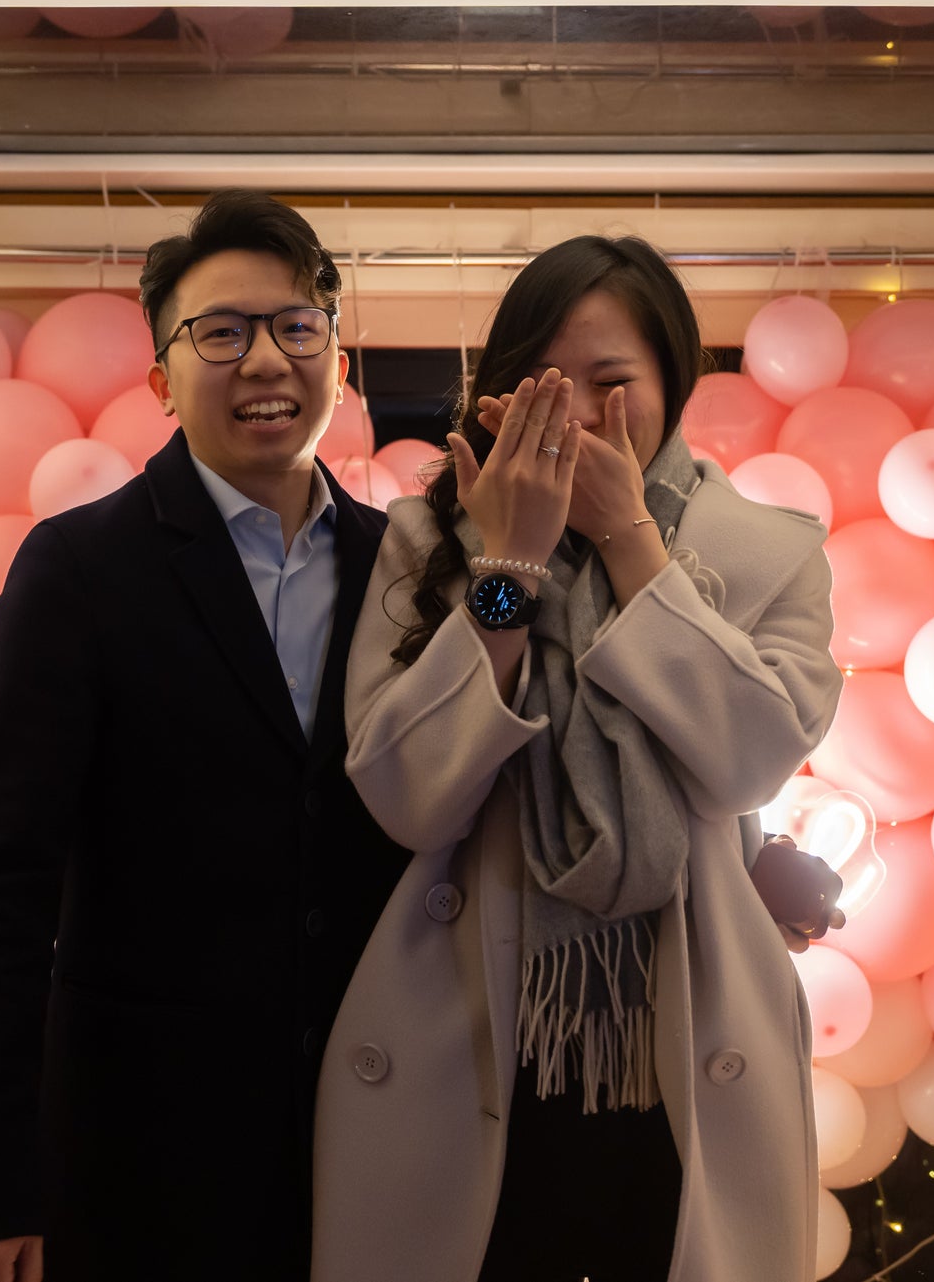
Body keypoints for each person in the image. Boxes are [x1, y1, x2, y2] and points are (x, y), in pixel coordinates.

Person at [313, 235, 846, 1282]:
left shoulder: (769, 552)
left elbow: (747, 760)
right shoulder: (426, 539)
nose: (578, 416)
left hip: (687, 1043)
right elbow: (410, 795)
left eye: (611, 382)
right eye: (543, 384)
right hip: (473, 1037)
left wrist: (628, 540)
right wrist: (508, 563)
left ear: (671, 382)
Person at [0, 190, 409, 1281]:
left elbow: (488, 708)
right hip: (146, 1149)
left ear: (337, 363)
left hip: (380, 1134)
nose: (266, 359)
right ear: (161, 381)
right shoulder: (77, 571)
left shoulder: (406, 565)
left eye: (297, 327)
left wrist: (513, 570)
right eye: (221, 332)